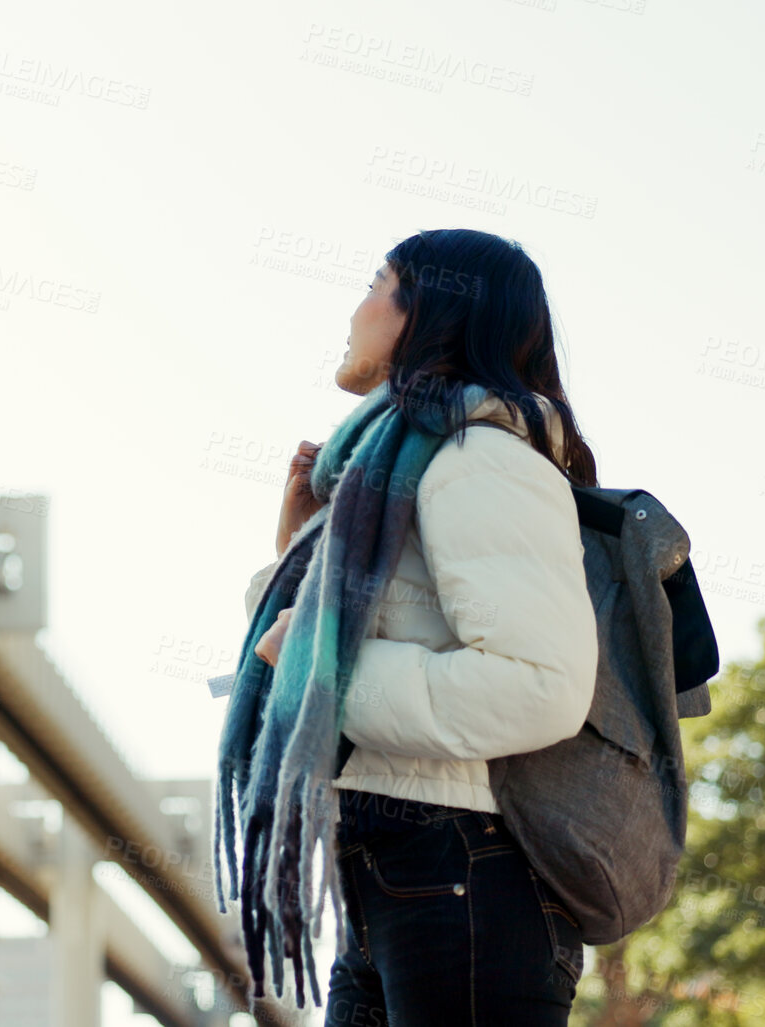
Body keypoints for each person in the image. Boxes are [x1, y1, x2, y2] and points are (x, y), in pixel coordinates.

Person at [242, 228, 599, 1024]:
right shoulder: (394, 468)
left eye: (375, 281)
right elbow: (307, 640)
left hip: (460, 863)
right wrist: (296, 551)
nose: (354, 305)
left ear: (425, 312)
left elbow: (538, 684)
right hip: (392, 863)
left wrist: (327, 672)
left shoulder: (480, 457)